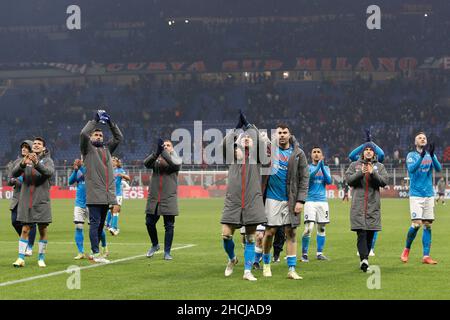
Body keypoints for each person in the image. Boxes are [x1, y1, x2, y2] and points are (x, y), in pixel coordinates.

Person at [220, 111, 268, 281]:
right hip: (233, 200)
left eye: (249, 137)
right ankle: (232, 258)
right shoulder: (232, 156)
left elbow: (263, 146)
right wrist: (235, 129)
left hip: (252, 200)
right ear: (238, 142)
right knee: (226, 234)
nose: (246, 138)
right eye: (243, 137)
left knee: (250, 237)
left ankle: (247, 271)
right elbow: (224, 144)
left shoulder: (258, 157)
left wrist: (249, 127)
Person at [261, 123, 309, 280]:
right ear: (276, 135)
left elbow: (304, 178)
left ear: (290, 134)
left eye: (284, 132)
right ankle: (266, 265)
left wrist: (301, 200)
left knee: (291, 232)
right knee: (270, 232)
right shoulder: (269, 151)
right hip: (272, 197)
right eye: (279, 133)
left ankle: (292, 269)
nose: (282, 135)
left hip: (291, 199)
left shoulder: (298, 153)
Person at [80, 110, 123, 263]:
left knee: (100, 226)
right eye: (96, 135)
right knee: (95, 223)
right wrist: (94, 121)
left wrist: (111, 123)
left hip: (106, 194)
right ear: (91, 137)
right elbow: (83, 134)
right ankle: (96, 252)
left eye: (101, 135)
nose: (98, 137)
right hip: (94, 194)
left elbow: (119, 137)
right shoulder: (87, 149)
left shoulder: (107, 149)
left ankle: (94, 252)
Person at [11, 137, 55, 268]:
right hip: (27, 200)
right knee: (25, 229)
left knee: (42, 229)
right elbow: (14, 173)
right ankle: (20, 258)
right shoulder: (25, 159)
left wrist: (37, 163)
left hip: (41, 200)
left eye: (39, 144)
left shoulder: (48, 161)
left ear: (43, 148)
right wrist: (23, 164)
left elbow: (48, 173)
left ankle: (41, 258)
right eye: (34, 143)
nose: (36, 145)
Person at [345, 142, 388, 272]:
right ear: (362, 152)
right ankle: (364, 259)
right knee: (361, 233)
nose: (368, 152)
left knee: (370, 233)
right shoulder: (354, 165)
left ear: (374, 153)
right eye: (366, 150)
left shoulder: (379, 167)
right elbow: (349, 180)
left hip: (373, 206)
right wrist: (361, 173)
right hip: (358, 206)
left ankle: (365, 259)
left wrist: (373, 173)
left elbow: (384, 182)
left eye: (371, 150)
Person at [400, 132, 442, 264]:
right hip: (416, 195)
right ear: (415, 142)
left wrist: (432, 155)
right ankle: (406, 249)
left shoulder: (430, 155)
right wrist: (421, 157)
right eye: (420, 138)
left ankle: (426, 256)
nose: (423, 139)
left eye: (424, 138)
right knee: (416, 224)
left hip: (429, 195)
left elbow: (439, 169)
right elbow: (412, 169)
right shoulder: (411, 155)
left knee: (428, 225)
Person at [144, 139, 182, 260]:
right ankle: (155, 245)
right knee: (149, 222)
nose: (165, 147)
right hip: (154, 198)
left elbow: (175, 165)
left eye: (168, 146)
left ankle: (167, 252)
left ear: (172, 148)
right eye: (164, 146)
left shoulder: (176, 159)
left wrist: (163, 152)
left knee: (169, 226)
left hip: (168, 198)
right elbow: (146, 163)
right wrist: (156, 153)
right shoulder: (156, 160)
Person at [69, 158, 109, 260]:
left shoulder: (93, 169)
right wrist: (76, 170)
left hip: (92, 203)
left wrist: (81, 168)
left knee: (96, 228)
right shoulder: (79, 170)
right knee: (78, 226)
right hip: (79, 203)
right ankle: (80, 252)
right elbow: (70, 181)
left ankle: (104, 247)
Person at [301, 147, 332, 262]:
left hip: (322, 202)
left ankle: (319, 253)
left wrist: (322, 167)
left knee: (322, 228)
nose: (316, 154)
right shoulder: (308, 168)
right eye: (314, 152)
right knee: (309, 228)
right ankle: (304, 254)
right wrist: (319, 165)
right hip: (310, 201)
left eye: (319, 152)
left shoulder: (326, 168)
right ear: (311, 155)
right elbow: (309, 177)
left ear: (322, 155)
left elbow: (329, 181)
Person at [7, 140, 37, 257]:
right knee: (14, 221)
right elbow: (10, 179)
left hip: (29, 196)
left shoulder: (34, 162)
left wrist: (22, 180)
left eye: (26, 147)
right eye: (22, 147)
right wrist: (13, 180)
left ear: (30, 149)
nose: (23, 149)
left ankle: (29, 247)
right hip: (17, 197)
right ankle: (24, 239)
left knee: (31, 223)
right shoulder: (17, 162)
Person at [106, 156, 131, 236]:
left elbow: (128, 178)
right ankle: (111, 226)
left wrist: (122, 175)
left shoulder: (120, 170)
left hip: (118, 194)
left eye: (114, 161)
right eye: (111, 161)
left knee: (115, 210)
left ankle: (113, 228)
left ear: (117, 162)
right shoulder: (108, 170)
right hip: (110, 194)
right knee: (111, 210)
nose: (112, 162)